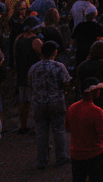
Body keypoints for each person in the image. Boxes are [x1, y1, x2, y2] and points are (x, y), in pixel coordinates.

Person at [28, 39, 71, 168]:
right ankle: (61, 157)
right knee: (59, 130)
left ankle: (42, 160)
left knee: (41, 132)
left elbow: (30, 84)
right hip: (56, 101)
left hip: (39, 103)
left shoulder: (34, 68)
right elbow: (67, 83)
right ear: (55, 52)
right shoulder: (58, 66)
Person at [66, 78, 103, 182]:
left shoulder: (72, 108)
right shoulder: (97, 111)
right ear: (92, 92)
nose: (99, 91)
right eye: (97, 89)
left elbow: (67, 127)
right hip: (95, 154)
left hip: (76, 154)